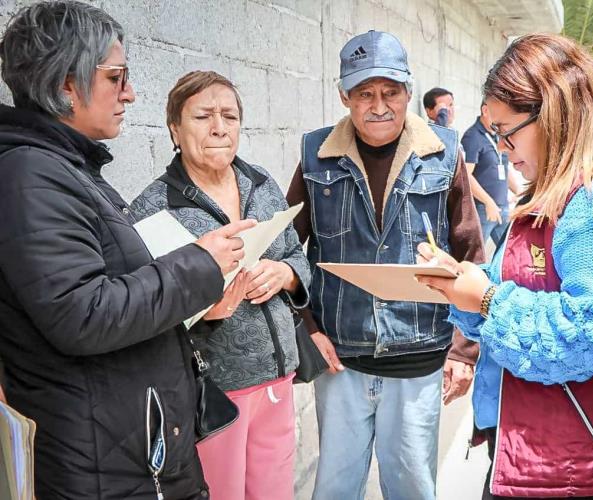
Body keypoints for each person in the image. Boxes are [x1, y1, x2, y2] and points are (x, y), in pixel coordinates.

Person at [416, 33, 593, 499]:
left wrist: (486, 299)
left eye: (507, 130)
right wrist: (463, 284)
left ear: (553, 112)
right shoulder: (564, 192)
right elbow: (533, 283)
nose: (503, 147)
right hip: (552, 446)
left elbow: (591, 336)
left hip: (575, 463)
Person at [0, 3, 255, 498]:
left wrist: (200, 302)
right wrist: (199, 265)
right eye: (116, 77)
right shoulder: (30, 177)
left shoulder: (66, 169)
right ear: (65, 84)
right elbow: (83, 313)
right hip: (105, 467)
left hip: (130, 453)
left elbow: (110, 297)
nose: (130, 93)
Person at [286, 30, 483, 500]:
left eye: (391, 92)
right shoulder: (316, 155)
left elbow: (471, 255)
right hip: (340, 360)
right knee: (334, 489)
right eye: (364, 94)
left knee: (413, 489)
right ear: (344, 96)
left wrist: (462, 351)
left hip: (419, 358)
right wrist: (306, 327)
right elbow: (287, 252)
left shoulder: (443, 151)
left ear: (408, 92)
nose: (379, 105)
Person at [131, 70, 311, 500]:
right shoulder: (152, 209)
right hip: (212, 393)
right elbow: (137, 310)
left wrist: (284, 275)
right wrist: (203, 311)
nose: (218, 127)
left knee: (274, 492)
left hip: (277, 379)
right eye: (202, 116)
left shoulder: (261, 183)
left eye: (229, 116)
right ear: (174, 128)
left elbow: (298, 258)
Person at [462, 100, 522, 245]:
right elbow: (466, 176)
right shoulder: (472, 136)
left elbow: (503, 168)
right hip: (483, 209)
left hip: (503, 206)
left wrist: (520, 192)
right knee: (475, 255)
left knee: (508, 252)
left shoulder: (497, 135)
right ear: (485, 110)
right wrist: (488, 203)